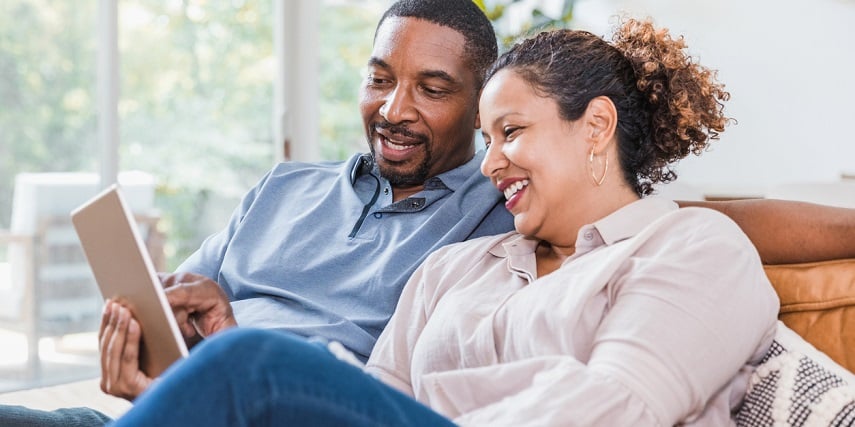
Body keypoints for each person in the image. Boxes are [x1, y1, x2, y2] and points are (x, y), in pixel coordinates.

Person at [0, 1, 853, 425]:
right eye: (488, 140)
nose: (489, 164)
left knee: (255, 361)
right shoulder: (461, 265)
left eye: (508, 130)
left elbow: (616, 406)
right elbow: (376, 394)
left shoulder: (683, 247)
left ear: (596, 128)